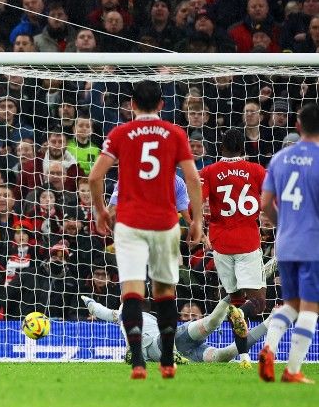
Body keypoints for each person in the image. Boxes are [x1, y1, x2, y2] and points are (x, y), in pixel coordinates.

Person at [88, 80, 203, 380]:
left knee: (132, 292)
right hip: (165, 224)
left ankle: (138, 360)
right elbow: (192, 178)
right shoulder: (175, 133)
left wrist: (101, 211)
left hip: (129, 224)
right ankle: (166, 359)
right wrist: (198, 220)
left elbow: (95, 176)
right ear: (162, 105)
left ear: (132, 105)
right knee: (164, 291)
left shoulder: (120, 133)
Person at [259, 102, 319, 384]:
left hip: (285, 243)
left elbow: (265, 203)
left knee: (291, 305)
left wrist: (284, 223)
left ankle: (269, 348)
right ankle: (292, 371)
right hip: (312, 244)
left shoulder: (280, 158)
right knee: (310, 308)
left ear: (297, 125)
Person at [200, 128, 267, 368]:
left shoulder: (209, 171)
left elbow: (196, 201)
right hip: (247, 242)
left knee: (235, 300)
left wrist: (199, 227)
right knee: (257, 303)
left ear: (221, 147)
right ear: (244, 148)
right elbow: (270, 198)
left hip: (221, 244)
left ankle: (245, 358)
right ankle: (244, 340)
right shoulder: (256, 170)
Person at [81, 296, 273, 364]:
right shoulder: (125, 314)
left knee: (213, 322)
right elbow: (101, 311)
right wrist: (88, 301)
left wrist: (88, 302)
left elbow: (101, 311)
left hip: (171, 341)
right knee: (226, 355)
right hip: (182, 350)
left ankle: (234, 295)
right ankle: (271, 322)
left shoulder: (134, 315)